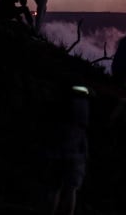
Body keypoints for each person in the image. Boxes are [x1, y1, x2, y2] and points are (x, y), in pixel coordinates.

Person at [42, 82, 91, 215]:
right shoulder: (84, 114)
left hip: (59, 152)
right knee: (70, 190)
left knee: (54, 187)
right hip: (76, 154)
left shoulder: (61, 105)